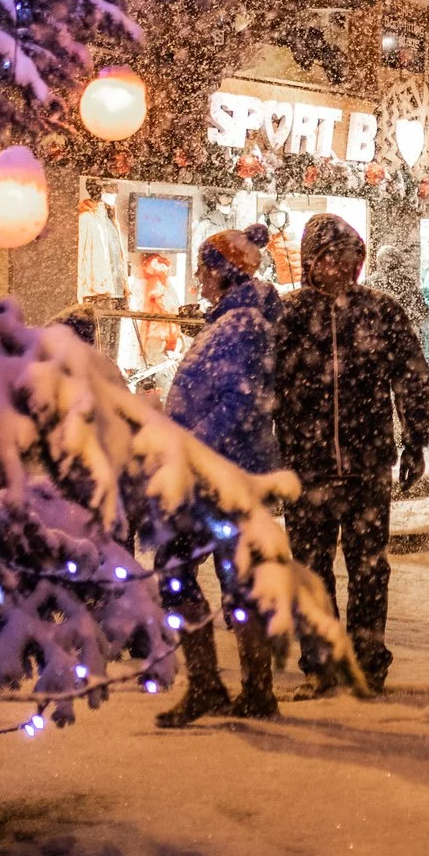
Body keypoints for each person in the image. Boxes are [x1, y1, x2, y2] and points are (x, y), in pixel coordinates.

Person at [270, 215, 429, 694]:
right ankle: (320, 664)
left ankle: (367, 661)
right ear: (311, 262)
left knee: (368, 568)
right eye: (330, 259)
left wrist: (416, 438)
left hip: (366, 465)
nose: (342, 269)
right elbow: (266, 389)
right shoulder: (289, 315)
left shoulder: (382, 312)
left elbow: (412, 376)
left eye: (349, 259)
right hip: (306, 466)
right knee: (311, 571)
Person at [155, 229, 284, 725]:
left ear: (221, 272)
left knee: (202, 573)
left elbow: (239, 403)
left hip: (222, 475)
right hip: (221, 472)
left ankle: (236, 686)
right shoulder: (232, 322)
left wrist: (193, 448)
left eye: (204, 268)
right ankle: (236, 686)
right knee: (210, 573)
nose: (199, 279)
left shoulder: (241, 326)